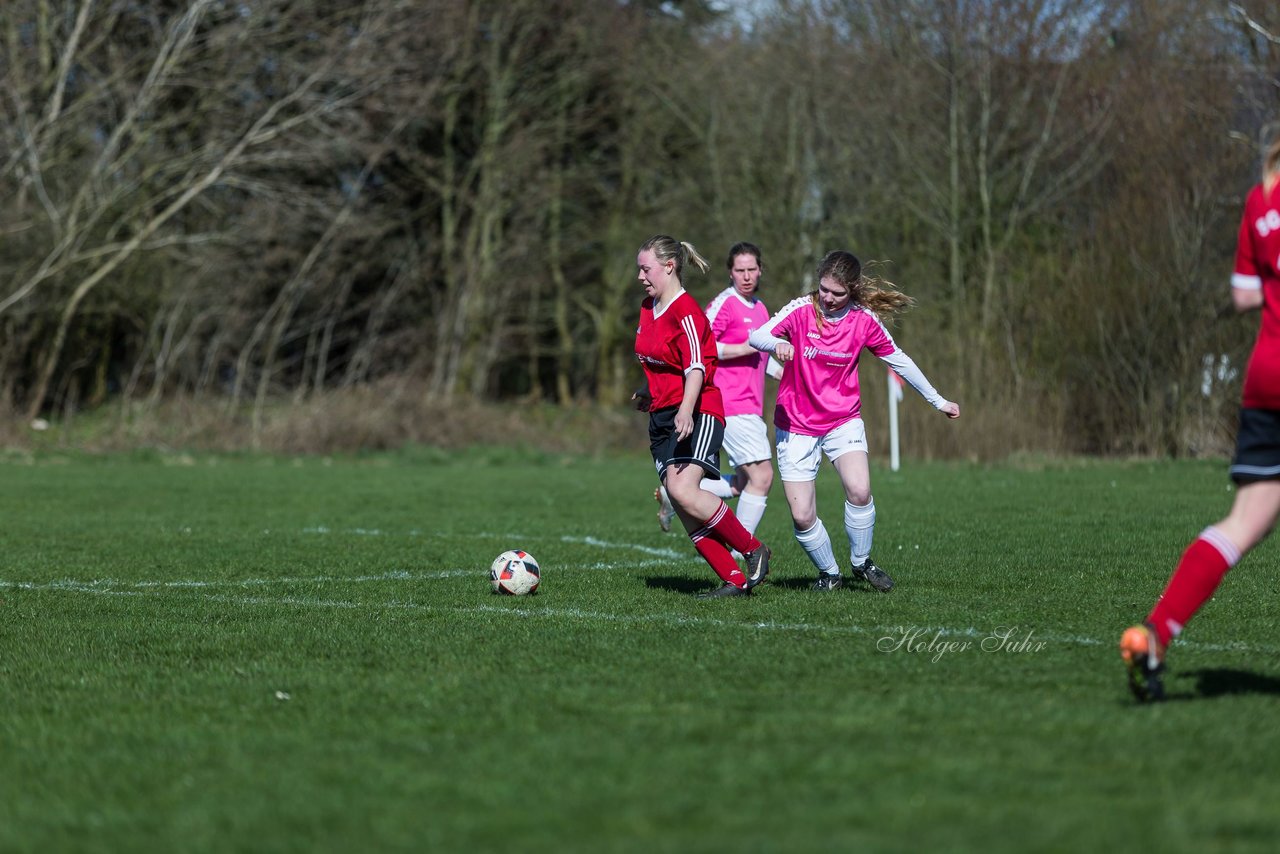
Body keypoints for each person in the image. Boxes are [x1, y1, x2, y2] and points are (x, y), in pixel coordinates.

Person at [1120, 132, 1280, 702]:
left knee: (1246, 520)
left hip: (1267, 377)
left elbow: (1242, 295)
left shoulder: (1262, 198)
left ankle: (1155, 635)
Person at [748, 250, 960, 592]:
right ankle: (829, 573)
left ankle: (861, 563)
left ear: (853, 289)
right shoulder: (802, 308)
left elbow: (900, 361)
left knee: (860, 490)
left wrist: (938, 400)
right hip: (796, 422)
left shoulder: (863, 320)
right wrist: (776, 344)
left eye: (837, 293)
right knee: (802, 516)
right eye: (823, 290)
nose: (828, 299)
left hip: (842, 419)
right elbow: (756, 336)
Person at [631, 235, 772, 598]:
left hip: (700, 410)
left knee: (681, 489)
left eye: (645, 269)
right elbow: (658, 359)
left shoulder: (687, 311)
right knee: (681, 502)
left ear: (669, 266)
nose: (640, 276)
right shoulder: (648, 308)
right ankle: (734, 580)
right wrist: (648, 391)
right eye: (639, 269)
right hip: (662, 417)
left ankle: (753, 549)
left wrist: (684, 408)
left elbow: (696, 367)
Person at [653, 242, 783, 539]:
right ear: (730, 272)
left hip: (751, 404)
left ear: (760, 270)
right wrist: (744, 346)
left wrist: (782, 372)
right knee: (762, 477)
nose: (747, 276)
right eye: (740, 270)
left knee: (741, 483)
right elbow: (701, 344)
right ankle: (742, 550)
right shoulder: (725, 303)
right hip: (729, 402)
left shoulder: (761, 308)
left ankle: (673, 492)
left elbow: (759, 358)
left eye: (752, 269)